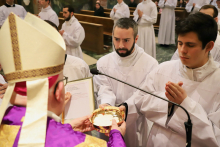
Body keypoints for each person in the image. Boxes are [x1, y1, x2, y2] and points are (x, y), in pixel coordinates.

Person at [0, 12, 126, 146]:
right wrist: (116, 135)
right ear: (59, 91)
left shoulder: (5, 124)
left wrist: (67, 128)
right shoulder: (80, 143)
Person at [121, 12, 220, 147]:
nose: (182, 51)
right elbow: (140, 100)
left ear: (209, 46)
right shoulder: (164, 69)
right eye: (180, 43)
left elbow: (215, 137)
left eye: (190, 45)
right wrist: (167, 102)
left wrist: (185, 105)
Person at [94, 18, 158, 147]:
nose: (121, 45)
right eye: (116, 39)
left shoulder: (150, 64)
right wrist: (106, 104)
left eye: (126, 40)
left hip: (135, 121)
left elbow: (145, 94)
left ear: (136, 38)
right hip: (108, 120)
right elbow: (104, 88)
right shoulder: (103, 62)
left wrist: (126, 108)